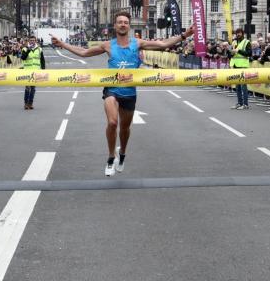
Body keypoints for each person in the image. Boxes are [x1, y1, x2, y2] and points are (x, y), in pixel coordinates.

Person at [52, 11, 194, 177]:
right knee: (112, 123)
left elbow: (163, 45)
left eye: (125, 22)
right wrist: (63, 44)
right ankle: (111, 157)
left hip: (129, 92)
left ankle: (123, 153)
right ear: (115, 26)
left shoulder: (137, 43)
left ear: (129, 26)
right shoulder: (107, 45)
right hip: (111, 89)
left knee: (124, 129)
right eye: (119, 22)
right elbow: (83, 52)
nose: (122, 24)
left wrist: (185, 35)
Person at [20, 36, 44, 110]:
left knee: (33, 88)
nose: (32, 41)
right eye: (31, 40)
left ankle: (30, 103)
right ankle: (26, 103)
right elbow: (23, 57)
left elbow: (42, 60)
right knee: (27, 88)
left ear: (35, 41)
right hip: (27, 71)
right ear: (29, 41)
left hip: (36, 71)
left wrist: (43, 70)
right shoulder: (25, 48)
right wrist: (28, 50)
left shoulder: (39, 49)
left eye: (33, 40)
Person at [230, 28, 251, 110]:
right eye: (237, 33)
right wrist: (231, 53)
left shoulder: (247, 42)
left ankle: (245, 104)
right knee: (237, 86)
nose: (238, 34)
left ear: (242, 33)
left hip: (243, 66)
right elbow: (232, 54)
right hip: (235, 66)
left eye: (239, 33)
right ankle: (239, 103)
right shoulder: (234, 42)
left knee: (243, 86)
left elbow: (249, 54)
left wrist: (238, 51)